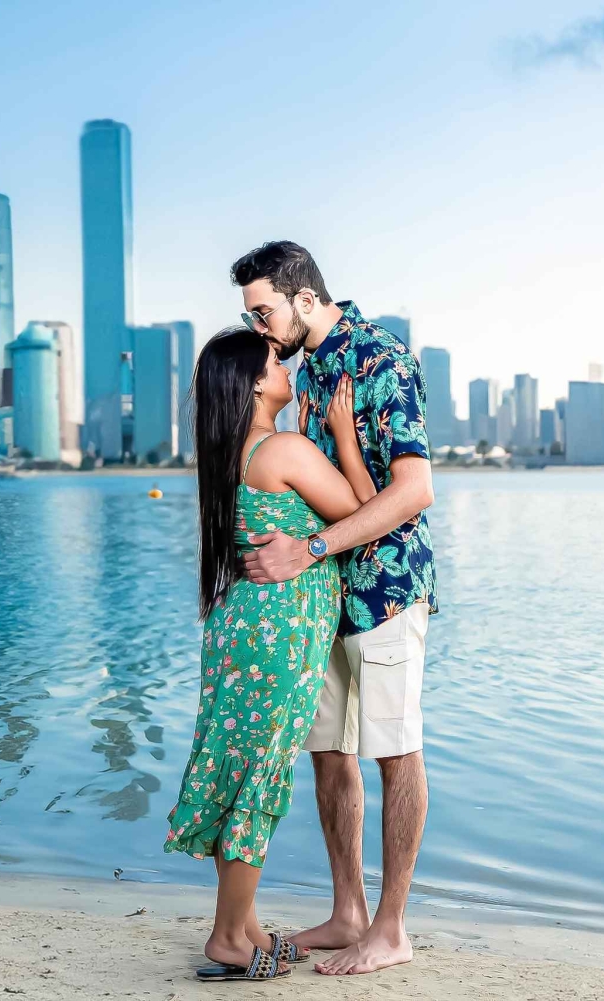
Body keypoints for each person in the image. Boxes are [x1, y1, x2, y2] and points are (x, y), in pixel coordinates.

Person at [231, 241, 437, 977]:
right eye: (251, 316)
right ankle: (348, 908)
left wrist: (312, 549)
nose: (259, 328)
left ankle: (391, 926)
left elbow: (414, 490)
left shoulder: (382, 360)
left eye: (264, 311)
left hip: (383, 588)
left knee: (395, 751)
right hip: (321, 605)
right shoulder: (304, 367)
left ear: (306, 300)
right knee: (330, 753)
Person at [164, 326, 377, 982]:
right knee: (260, 774)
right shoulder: (282, 448)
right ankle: (229, 935)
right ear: (256, 382)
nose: (285, 365)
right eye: (276, 361)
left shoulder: (233, 450)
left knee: (241, 766)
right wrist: (341, 436)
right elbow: (366, 510)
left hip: (241, 632)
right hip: (275, 641)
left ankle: (246, 922)